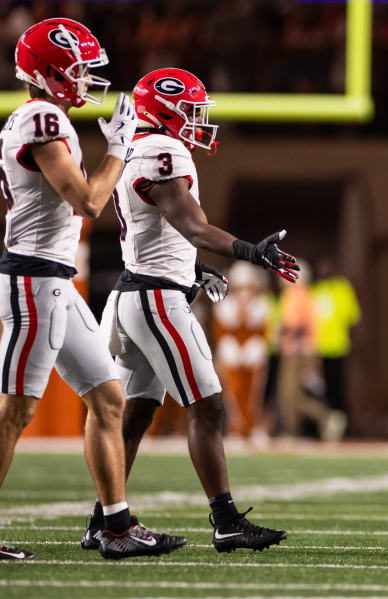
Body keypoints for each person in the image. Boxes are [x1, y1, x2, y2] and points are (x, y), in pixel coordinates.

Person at [80, 67, 298, 554]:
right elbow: (193, 226)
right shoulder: (163, 150)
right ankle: (225, 521)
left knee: (134, 415)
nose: (197, 122)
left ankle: (103, 520)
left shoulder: (136, 149)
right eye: (191, 111)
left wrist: (194, 268)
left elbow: (160, 232)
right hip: (157, 300)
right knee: (207, 405)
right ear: (166, 110)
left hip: (139, 292)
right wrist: (250, 251)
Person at [0, 18, 186, 560]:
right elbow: (89, 202)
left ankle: (115, 526)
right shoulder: (42, 118)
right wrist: (120, 151)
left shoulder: (41, 118)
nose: (85, 79)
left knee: (108, 398)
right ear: (50, 73)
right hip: (33, 283)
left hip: (55, 281)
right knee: (15, 412)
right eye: (77, 70)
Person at [276, 260, 347, 441]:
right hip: (302, 351)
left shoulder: (297, 295)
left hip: (298, 352)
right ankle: (317, 420)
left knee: (289, 395)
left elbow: (298, 326)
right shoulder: (302, 294)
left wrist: (283, 331)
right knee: (294, 395)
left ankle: (318, 420)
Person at [212, 262, 272, 441]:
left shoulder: (262, 304)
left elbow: (262, 333)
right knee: (232, 394)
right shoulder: (223, 305)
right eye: (240, 288)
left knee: (254, 393)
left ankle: (253, 426)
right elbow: (221, 333)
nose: (244, 292)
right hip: (231, 354)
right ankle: (236, 427)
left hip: (253, 354)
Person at [310, 255, 361, 415]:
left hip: (337, 346)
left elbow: (353, 317)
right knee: (315, 388)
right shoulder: (312, 291)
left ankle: (340, 421)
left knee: (338, 387)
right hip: (315, 348)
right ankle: (318, 425)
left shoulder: (342, 288)